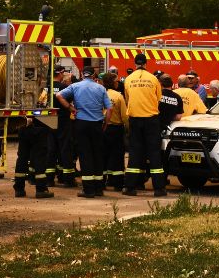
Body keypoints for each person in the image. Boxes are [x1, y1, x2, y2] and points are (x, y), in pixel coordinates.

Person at [58, 66, 112, 197]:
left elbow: (59, 95)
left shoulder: (75, 86)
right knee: (97, 154)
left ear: (82, 74)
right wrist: (106, 123)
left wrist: (70, 108)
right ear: (94, 75)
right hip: (97, 124)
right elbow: (109, 109)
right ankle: (99, 188)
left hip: (81, 124)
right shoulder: (101, 88)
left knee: (85, 155)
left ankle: (88, 190)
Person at [122, 54, 168, 197]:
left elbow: (128, 99)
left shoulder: (128, 79)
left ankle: (130, 187)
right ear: (146, 64)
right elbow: (159, 98)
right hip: (151, 120)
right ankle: (159, 188)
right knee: (154, 152)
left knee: (135, 152)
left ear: (135, 64)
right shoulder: (153, 79)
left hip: (135, 119)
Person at [12, 114, 55, 199]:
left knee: (22, 157)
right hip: (40, 126)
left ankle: (19, 189)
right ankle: (41, 189)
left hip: (23, 125)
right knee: (39, 158)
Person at [100, 71, 128, 191]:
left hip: (102, 128)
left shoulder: (100, 94)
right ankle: (117, 183)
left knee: (103, 155)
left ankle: (101, 181)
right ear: (112, 82)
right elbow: (124, 117)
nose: (118, 83)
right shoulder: (118, 96)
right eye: (117, 81)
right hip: (116, 129)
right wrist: (128, 129)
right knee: (116, 156)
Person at [52, 67, 78, 187]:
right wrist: (71, 108)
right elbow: (72, 102)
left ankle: (49, 178)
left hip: (48, 121)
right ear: (60, 73)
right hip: (63, 120)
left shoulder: (46, 87)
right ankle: (67, 179)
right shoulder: (64, 88)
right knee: (66, 149)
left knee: (51, 148)